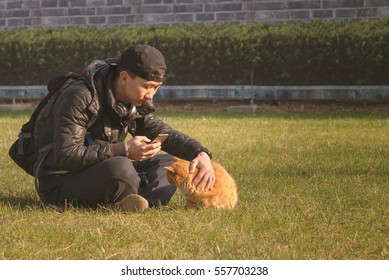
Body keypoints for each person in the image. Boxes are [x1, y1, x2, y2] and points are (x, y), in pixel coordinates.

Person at [34, 44, 215, 212]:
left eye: (156, 88)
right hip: (62, 181)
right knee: (120, 168)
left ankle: (133, 200)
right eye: (147, 86)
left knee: (169, 163)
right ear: (124, 77)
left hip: (103, 169)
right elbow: (66, 156)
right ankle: (132, 194)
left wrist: (200, 153)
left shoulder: (133, 101)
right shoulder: (80, 97)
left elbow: (163, 133)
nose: (150, 95)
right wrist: (125, 150)